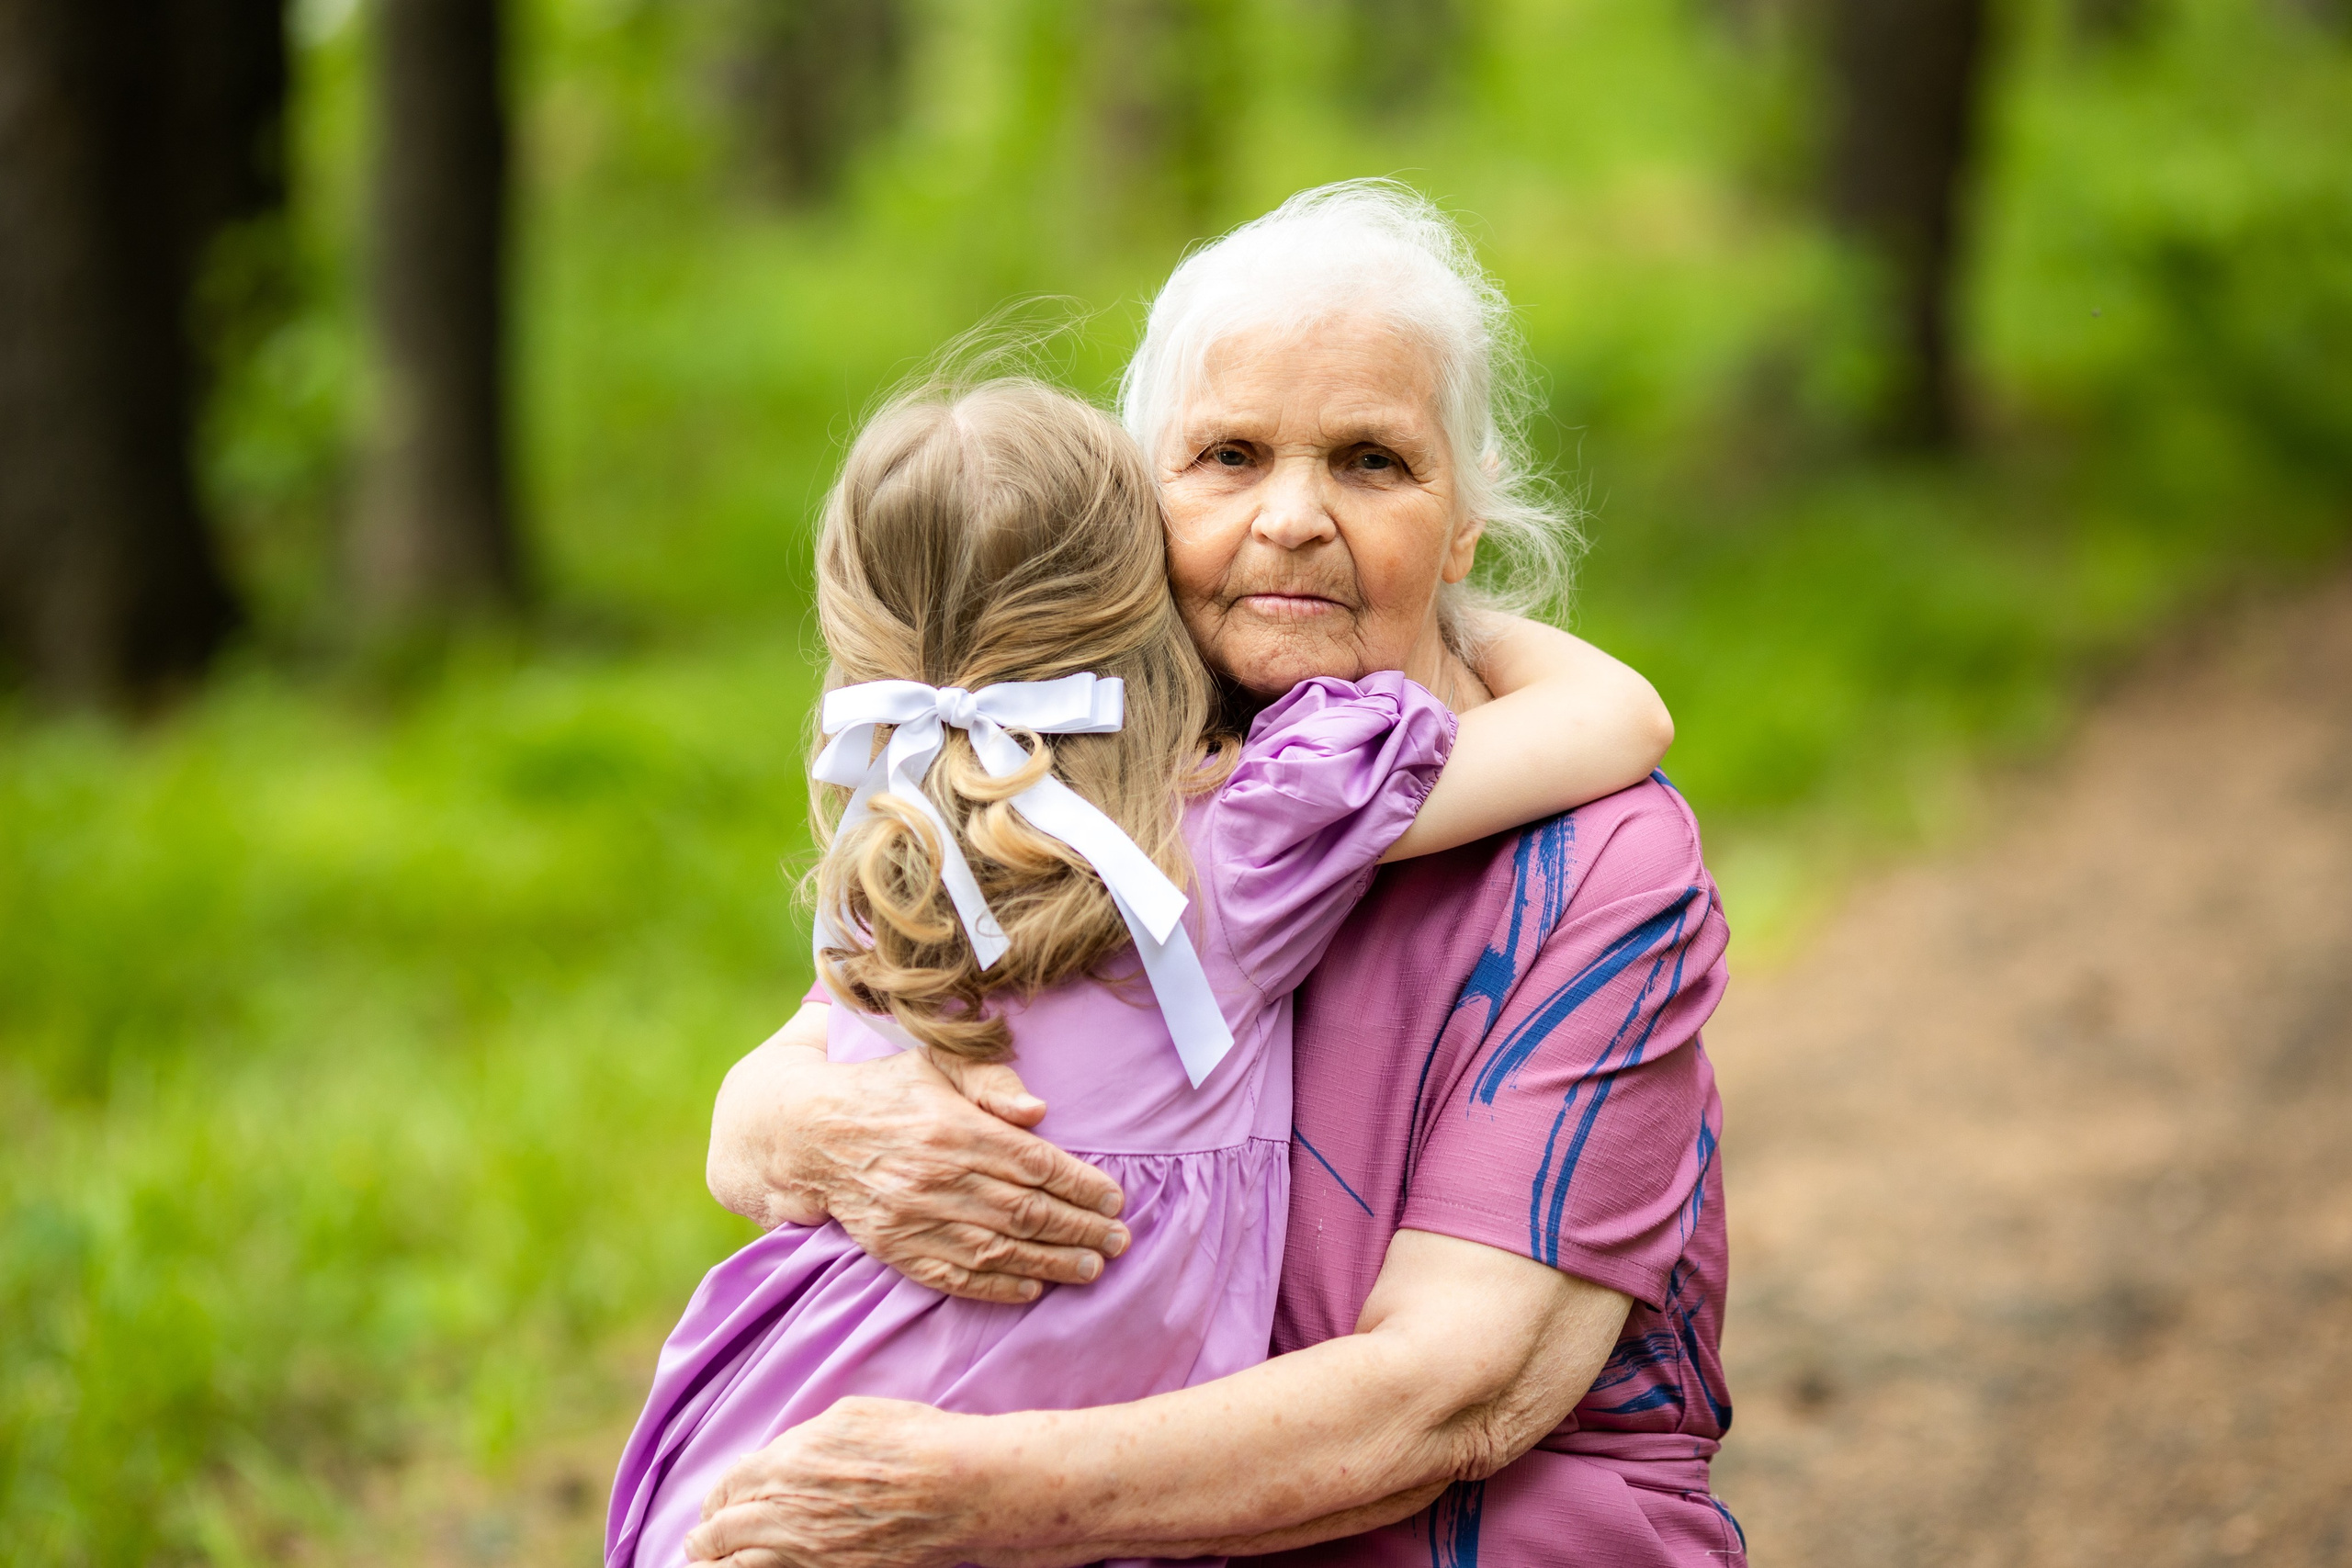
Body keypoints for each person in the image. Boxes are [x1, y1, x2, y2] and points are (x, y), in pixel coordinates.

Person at [689, 183, 1738, 1568]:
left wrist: (983, 1500)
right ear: (1138, 515)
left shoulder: (1598, 859)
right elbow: (791, 1078)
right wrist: (811, 1129)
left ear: (1463, 521)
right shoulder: (1076, 809)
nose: (1293, 517)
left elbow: (1458, 1394)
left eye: (1373, 462)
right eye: (1229, 456)